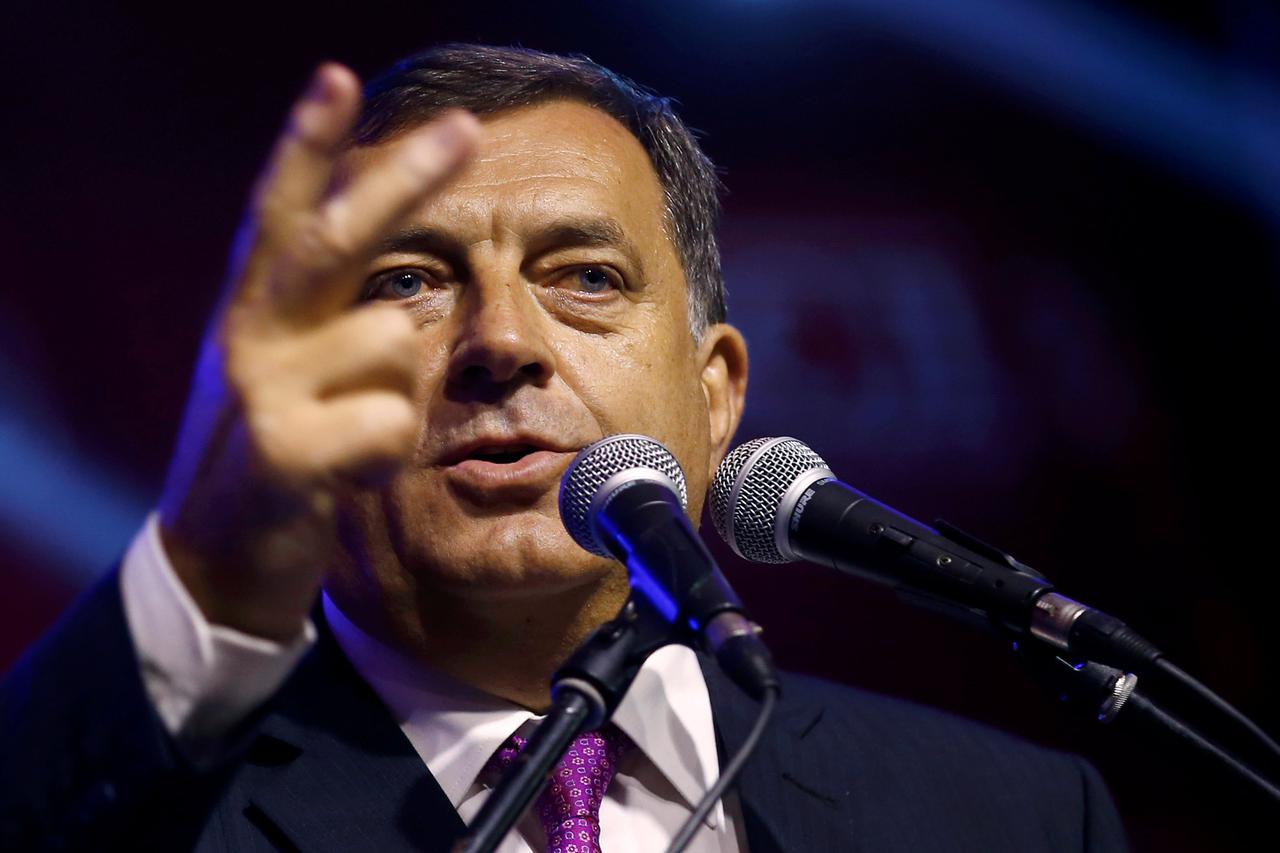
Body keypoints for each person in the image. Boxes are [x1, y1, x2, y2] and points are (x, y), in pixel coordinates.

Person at [0, 44, 1128, 852]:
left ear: (715, 393)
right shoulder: (142, 805)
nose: (499, 341)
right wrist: (203, 566)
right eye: (409, 282)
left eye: (584, 278)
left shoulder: (1009, 815)